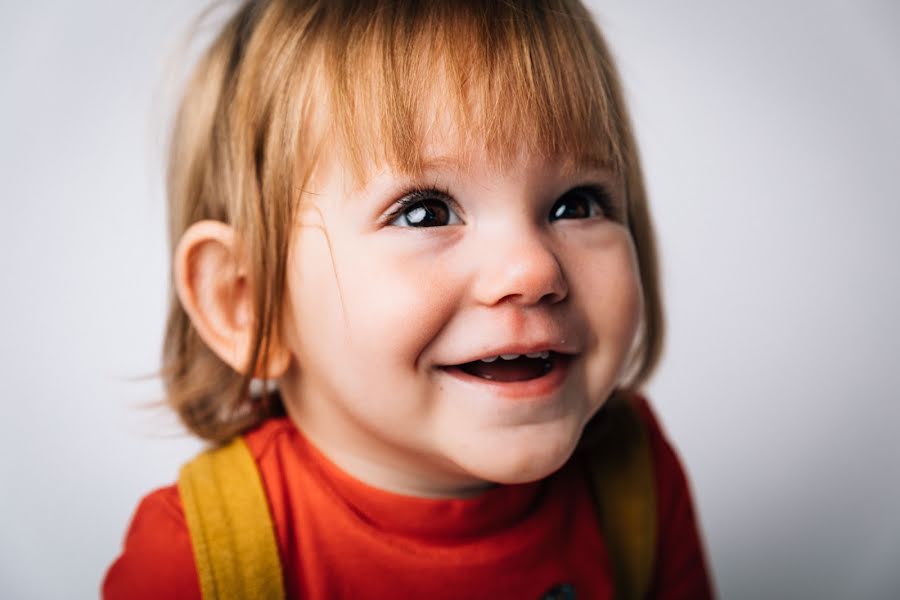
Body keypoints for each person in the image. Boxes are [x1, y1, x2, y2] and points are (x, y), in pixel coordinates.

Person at [103, 1, 713, 598]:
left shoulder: (634, 485)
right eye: (426, 213)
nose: (532, 269)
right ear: (247, 301)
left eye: (575, 203)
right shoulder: (192, 565)